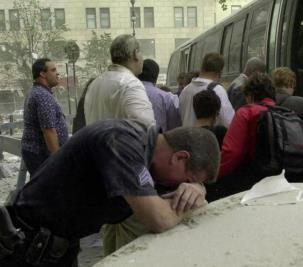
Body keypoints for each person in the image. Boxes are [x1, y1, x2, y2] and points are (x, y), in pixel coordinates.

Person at [1, 120, 220, 267]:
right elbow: (158, 219)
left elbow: (178, 194)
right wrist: (188, 206)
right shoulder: (122, 141)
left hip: (57, 247)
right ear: (180, 157)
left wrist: (196, 188)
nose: (180, 185)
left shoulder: (152, 157)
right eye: (187, 179)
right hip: (21, 245)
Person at [214, 73, 276, 200]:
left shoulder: (246, 112)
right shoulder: (281, 112)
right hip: (279, 180)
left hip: (251, 181)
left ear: (250, 95)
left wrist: (213, 175)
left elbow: (232, 152)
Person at [84, 34, 155, 127]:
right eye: (141, 53)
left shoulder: (94, 84)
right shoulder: (131, 84)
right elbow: (147, 128)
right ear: (135, 54)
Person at [21, 58, 68, 176]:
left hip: (36, 153)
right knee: (47, 191)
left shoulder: (36, 91)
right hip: (41, 155)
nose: (57, 73)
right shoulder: (42, 96)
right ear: (42, 74)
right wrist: (57, 159)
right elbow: (48, 130)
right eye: (53, 70)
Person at [179, 53, 234, 128]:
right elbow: (229, 122)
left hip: (187, 137)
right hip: (207, 138)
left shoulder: (185, 90)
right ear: (219, 73)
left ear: (202, 68)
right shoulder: (217, 90)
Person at [139, 59, 181, 132]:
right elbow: (174, 127)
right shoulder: (166, 97)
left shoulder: (125, 93)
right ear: (156, 76)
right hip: (159, 140)